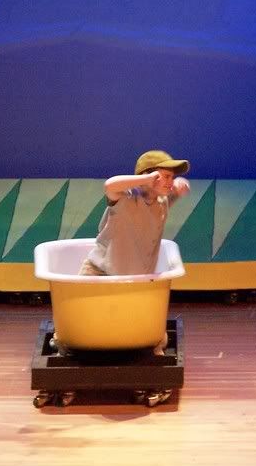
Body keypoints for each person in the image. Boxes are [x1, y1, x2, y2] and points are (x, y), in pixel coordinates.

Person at [52, 150, 191, 357]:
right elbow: (110, 185)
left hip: (134, 278)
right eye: (166, 176)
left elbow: (165, 199)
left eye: (172, 177)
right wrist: (146, 180)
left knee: (150, 332)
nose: (171, 182)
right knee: (79, 318)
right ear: (148, 176)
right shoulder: (126, 198)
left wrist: (177, 189)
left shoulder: (161, 202)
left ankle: (148, 346)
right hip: (101, 270)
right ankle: (66, 342)